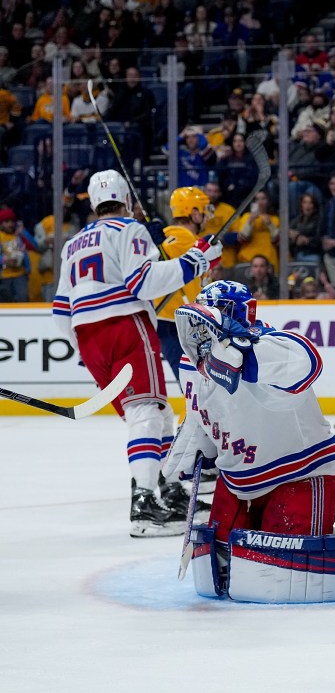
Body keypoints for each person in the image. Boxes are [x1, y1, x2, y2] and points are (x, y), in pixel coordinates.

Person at [51, 170, 223, 537]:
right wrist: (195, 261)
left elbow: (61, 310)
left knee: (156, 413)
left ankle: (168, 488)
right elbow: (142, 283)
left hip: (87, 336)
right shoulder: (129, 229)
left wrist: (84, 350)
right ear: (126, 200)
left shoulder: (72, 244)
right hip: (125, 325)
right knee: (146, 411)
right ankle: (144, 504)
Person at [162, 280, 335, 595]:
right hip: (238, 481)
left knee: (278, 573)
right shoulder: (190, 363)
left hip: (300, 475)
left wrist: (241, 349)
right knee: (220, 566)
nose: (200, 330)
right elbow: (201, 406)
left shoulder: (266, 347)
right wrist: (198, 441)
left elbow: (308, 360)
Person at [154, 186, 212, 385]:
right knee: (193, 384)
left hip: (179, 322)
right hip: (175, 323)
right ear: (194, 213)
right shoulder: (182, 236)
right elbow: (160, 256)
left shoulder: (178, 236)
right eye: (204, 210)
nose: (207, 216)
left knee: (197, 383)